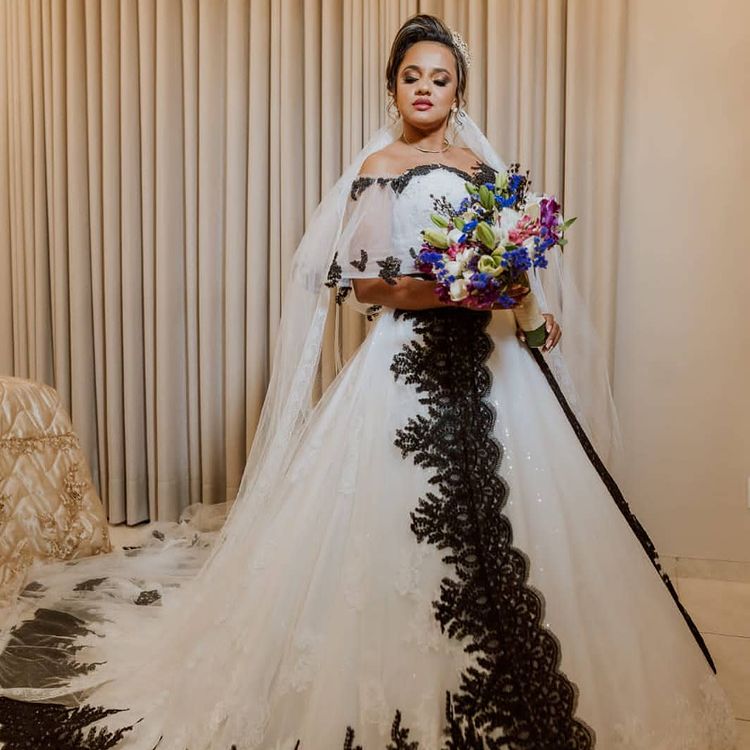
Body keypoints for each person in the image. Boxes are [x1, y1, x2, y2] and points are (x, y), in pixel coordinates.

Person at [0, 13, 738, 750]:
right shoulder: (380, 167)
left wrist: (528, 310)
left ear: (458, 92)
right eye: (412, 76)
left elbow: (512, 268)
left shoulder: (484, 171)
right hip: (406, 358)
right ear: (393, 88)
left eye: (439, 79)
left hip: (496, 365)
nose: (426, 88)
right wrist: (456, 288)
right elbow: (368, 287)